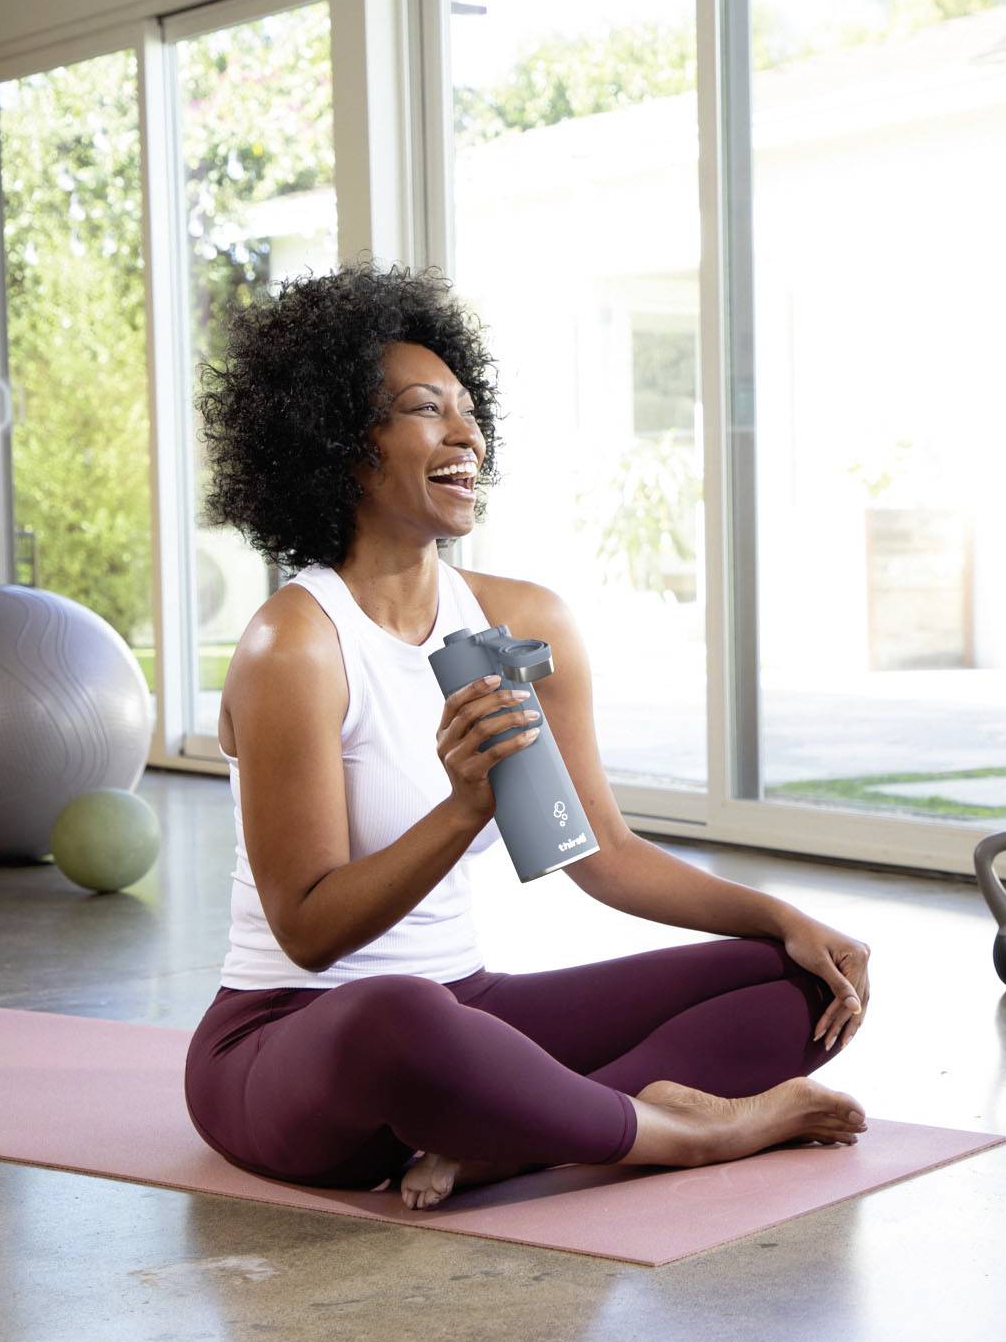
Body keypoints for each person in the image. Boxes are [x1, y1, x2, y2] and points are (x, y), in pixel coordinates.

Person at [183, 263, 871, 1211]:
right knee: (402, 1012)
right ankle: (678, 1131)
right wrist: (466, 807)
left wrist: (781, 917)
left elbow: (604, 856)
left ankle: (507, 1137)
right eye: (427, 411)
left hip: (470, 1009)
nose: (467, 435)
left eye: (469, 411)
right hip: (295, 1041)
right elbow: (307, 933)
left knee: (785, 980)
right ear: (345, 446)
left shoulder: (519, 623)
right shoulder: (296, 644)